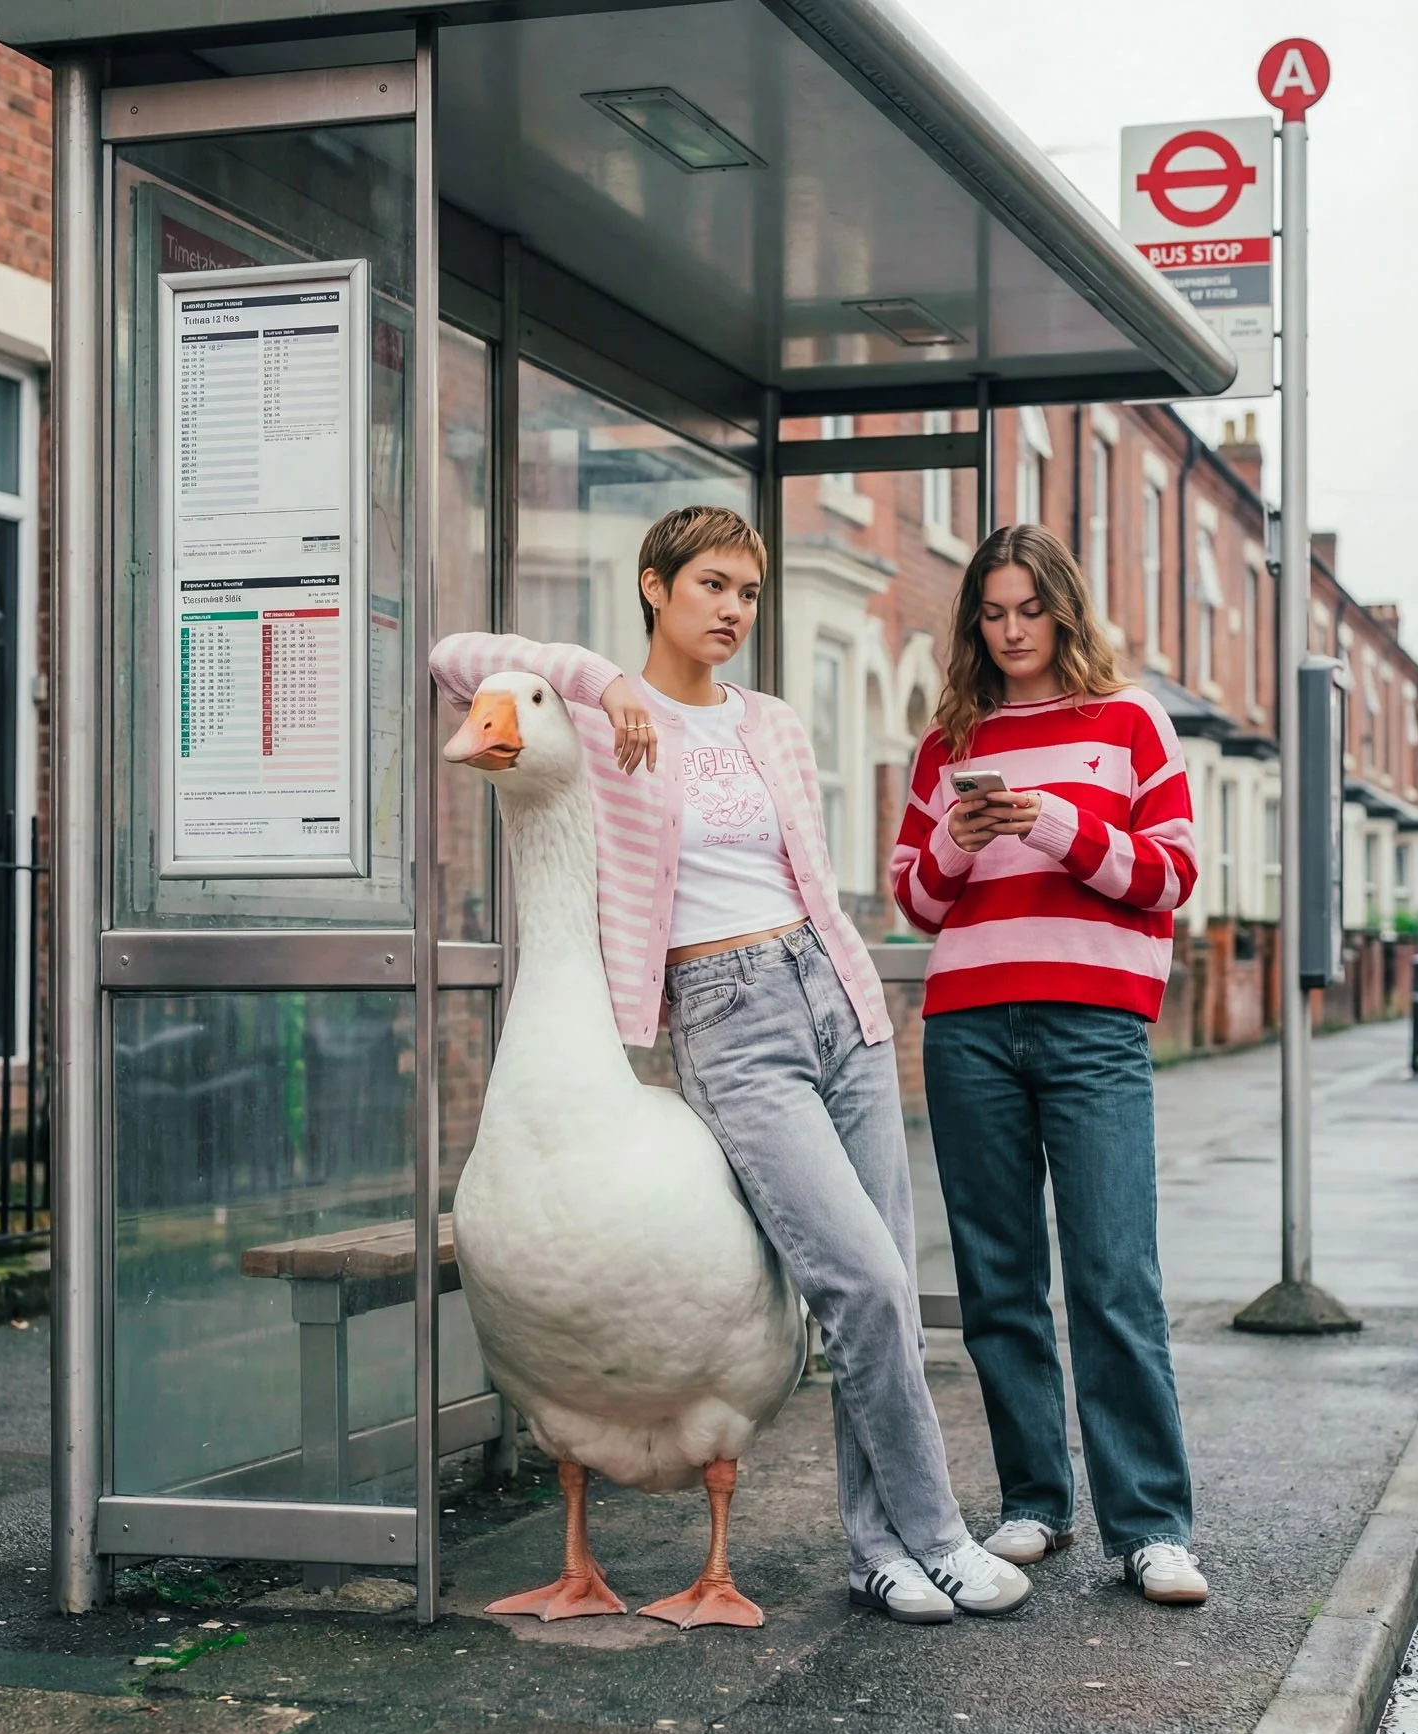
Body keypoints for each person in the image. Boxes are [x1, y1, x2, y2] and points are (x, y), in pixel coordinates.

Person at [431, 503, 1029, 1625]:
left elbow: (807, 874)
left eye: (747, 593)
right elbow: (452, 659)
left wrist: (851, 992)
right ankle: (940, 1534)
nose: (732, 611)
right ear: (653, 586)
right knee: (852, 1277)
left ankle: (878, 1550)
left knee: (885, 1293)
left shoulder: (775, 723)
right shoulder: (605, 722)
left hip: (833, 997)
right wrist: (597, 678)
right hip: (725, 1014)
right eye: (711, 585)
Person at [891, 522, 1208, 1606]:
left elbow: (1169, 876)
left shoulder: (1126, 722)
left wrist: (1058, 825)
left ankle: (1151, 1525)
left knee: (1114, 1272)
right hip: (970, 1023)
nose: (1012, 629)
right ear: (973, 620)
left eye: (1030, 608)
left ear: (1063, 610)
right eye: (993, 611)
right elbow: (918, 899)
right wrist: (964, 837)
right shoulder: (950, 739)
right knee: (998, 1280)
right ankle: (1033, 1500)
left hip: (1092, 1025)